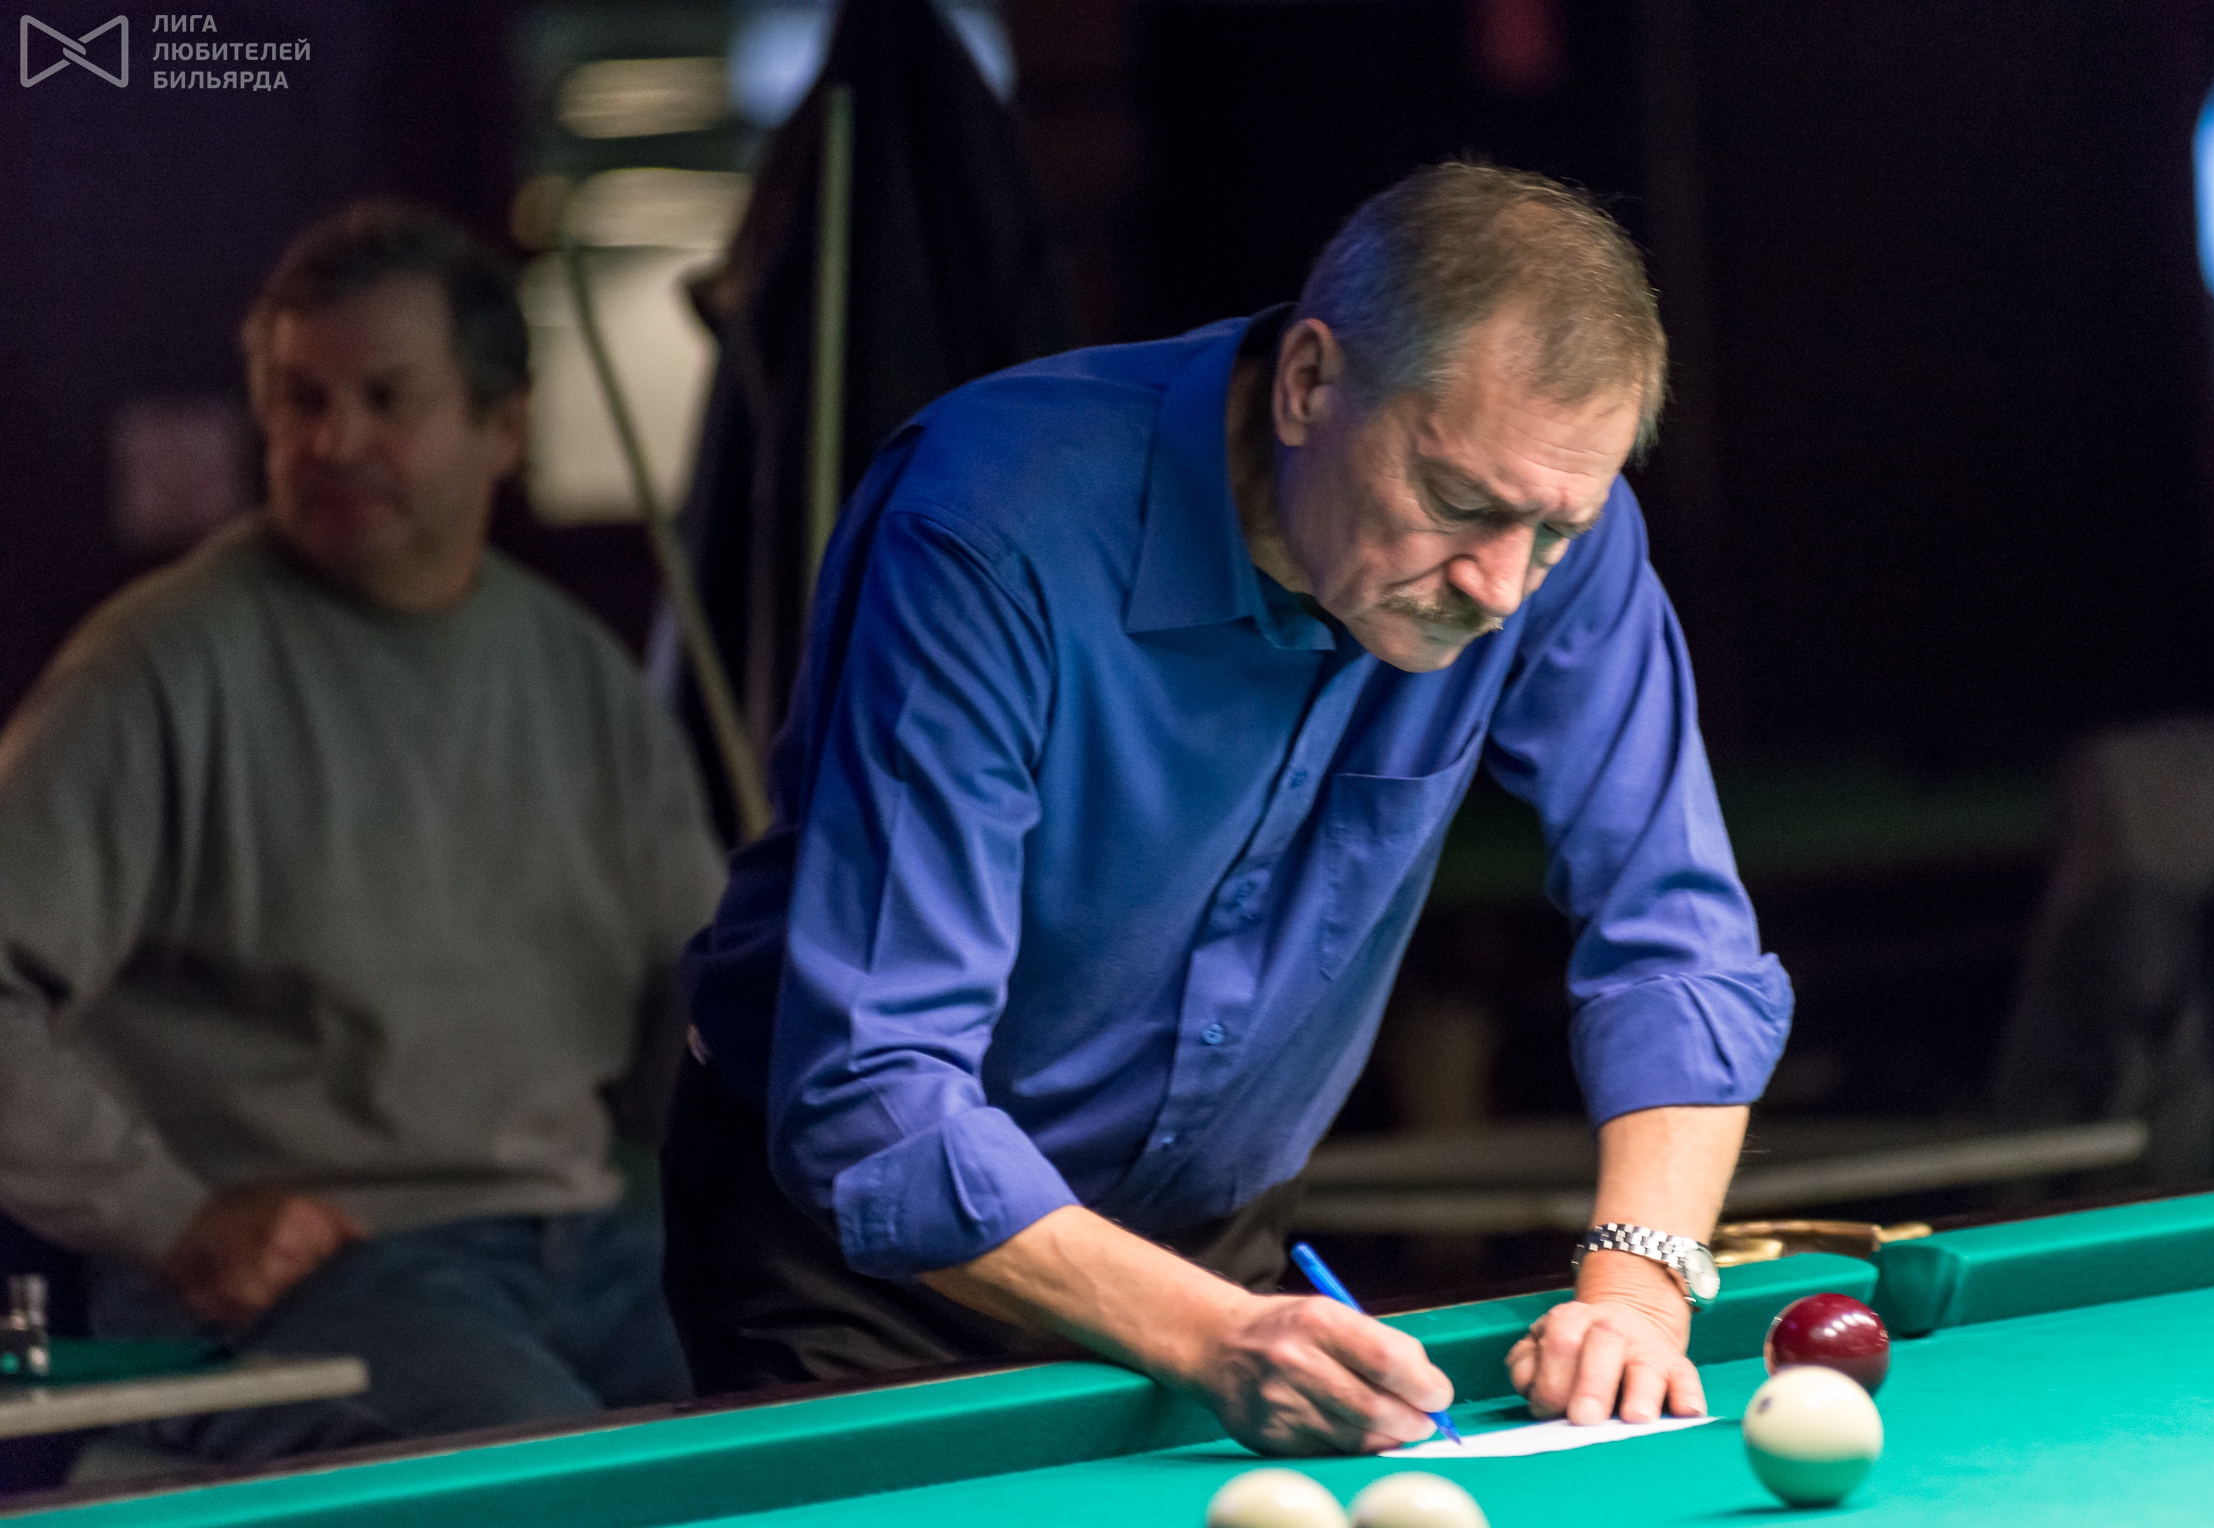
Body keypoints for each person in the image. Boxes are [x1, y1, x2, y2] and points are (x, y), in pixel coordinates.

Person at [666, 162, 1791, 1454]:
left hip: (1208, 1244)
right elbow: (874, 1084)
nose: (1498, 585)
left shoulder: (1543, 525)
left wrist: (1638, 1287)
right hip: (857, 1264)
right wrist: (1204, 1333)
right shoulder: (989, 525)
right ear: (1309, 381)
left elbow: (1676, 938)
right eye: (1456, 504)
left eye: (1553, 533)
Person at [0, 200, 726, 1464]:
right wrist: (168, 1215)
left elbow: (698, 1002)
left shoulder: (576, 671)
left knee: (826, 1394)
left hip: (588, 1234)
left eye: (386, 400)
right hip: (308, 1269)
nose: (330, 442)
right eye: (299, 400)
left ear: (504, 426)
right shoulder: (159, 666)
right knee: (544, 1463)